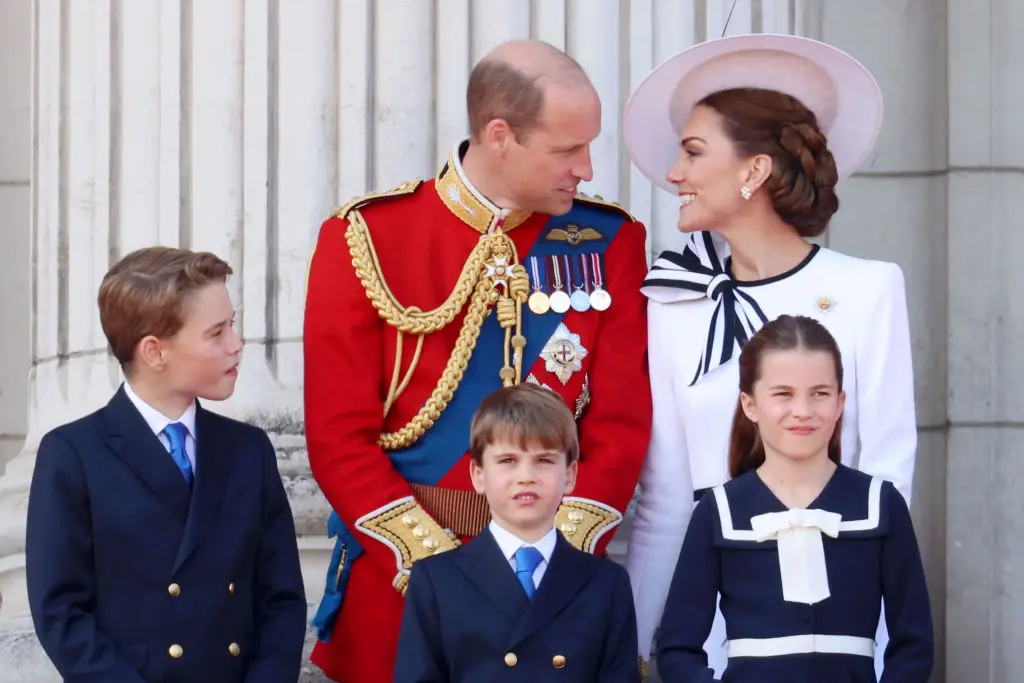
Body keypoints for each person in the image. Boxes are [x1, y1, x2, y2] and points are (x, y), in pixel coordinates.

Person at [304, 39, 652, 682]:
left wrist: (549, 554)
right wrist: (441, 570)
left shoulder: (611, 242)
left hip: (554, 591)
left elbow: (620, 427)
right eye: (566, 150)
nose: (588, 168)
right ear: (499, 136)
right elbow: (337, 437)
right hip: (403, 588)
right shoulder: (366, 237)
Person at [621, 34, 918, 679]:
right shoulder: (672, 302)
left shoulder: (870, 289)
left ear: (753, 170)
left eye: (694, 153)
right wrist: (645, 641)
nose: (675, 174)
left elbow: (888, 475)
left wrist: (885, 645)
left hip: (834, 619)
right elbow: (666, 495)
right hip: (710, 624)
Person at [25, 246, 308, 683]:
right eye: (216, 333)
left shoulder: (249, 450)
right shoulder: (73, 455)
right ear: (155, 352)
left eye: (232, 325)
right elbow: (62, 614)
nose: (237, 345)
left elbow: (281, 601)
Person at [655, 314, 933, 683]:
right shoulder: (718, 511)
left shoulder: (880, 505)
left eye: (820, 393)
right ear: (750, 404)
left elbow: (914, 644)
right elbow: (677, 649)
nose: (803, 411)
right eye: (783, 394)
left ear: (840, 402)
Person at [393, 383, 641, 682]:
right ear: (478, 475)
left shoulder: (606, 583)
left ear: (570, 475)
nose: (526, 477)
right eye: (508, 461)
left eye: (544, 461)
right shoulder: (436, 580)